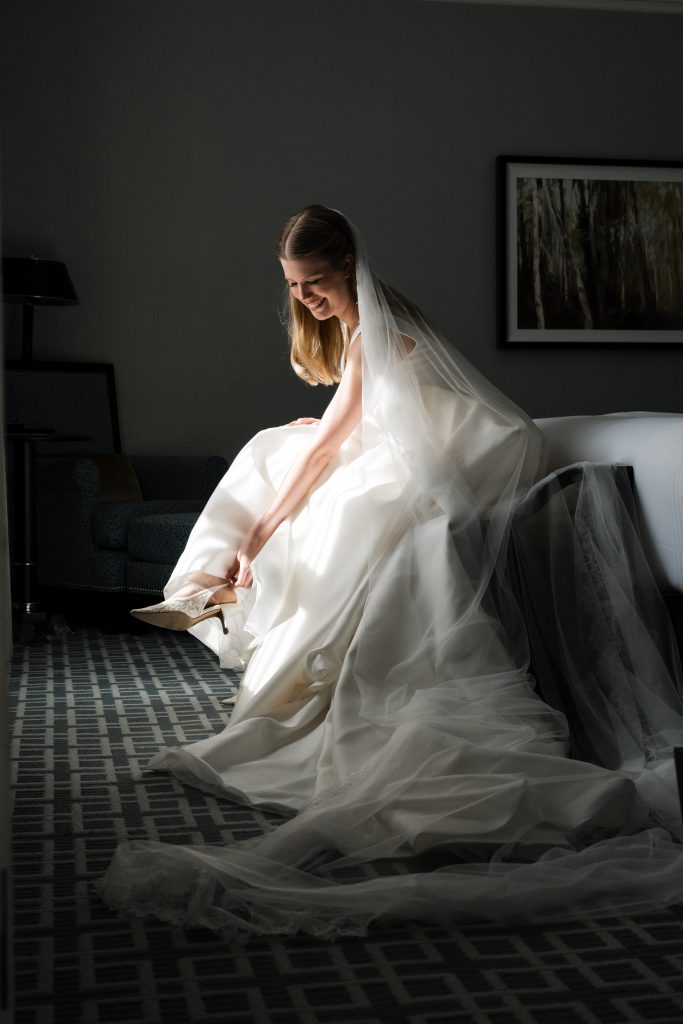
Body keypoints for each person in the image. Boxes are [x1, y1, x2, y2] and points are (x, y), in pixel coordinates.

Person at [102, 206, 683, 937]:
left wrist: (258, 534)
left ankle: (223, 584)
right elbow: (371, 412)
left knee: (300, 482)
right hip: (434, 446)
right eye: (293, 286)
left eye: (315, 283)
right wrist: (329, 434)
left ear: (348, 266)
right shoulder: (360, 323)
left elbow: (340, 439)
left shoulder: (375, 325)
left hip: (470, 460)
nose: (306, 298)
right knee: (276, 446)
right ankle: (210, 593)